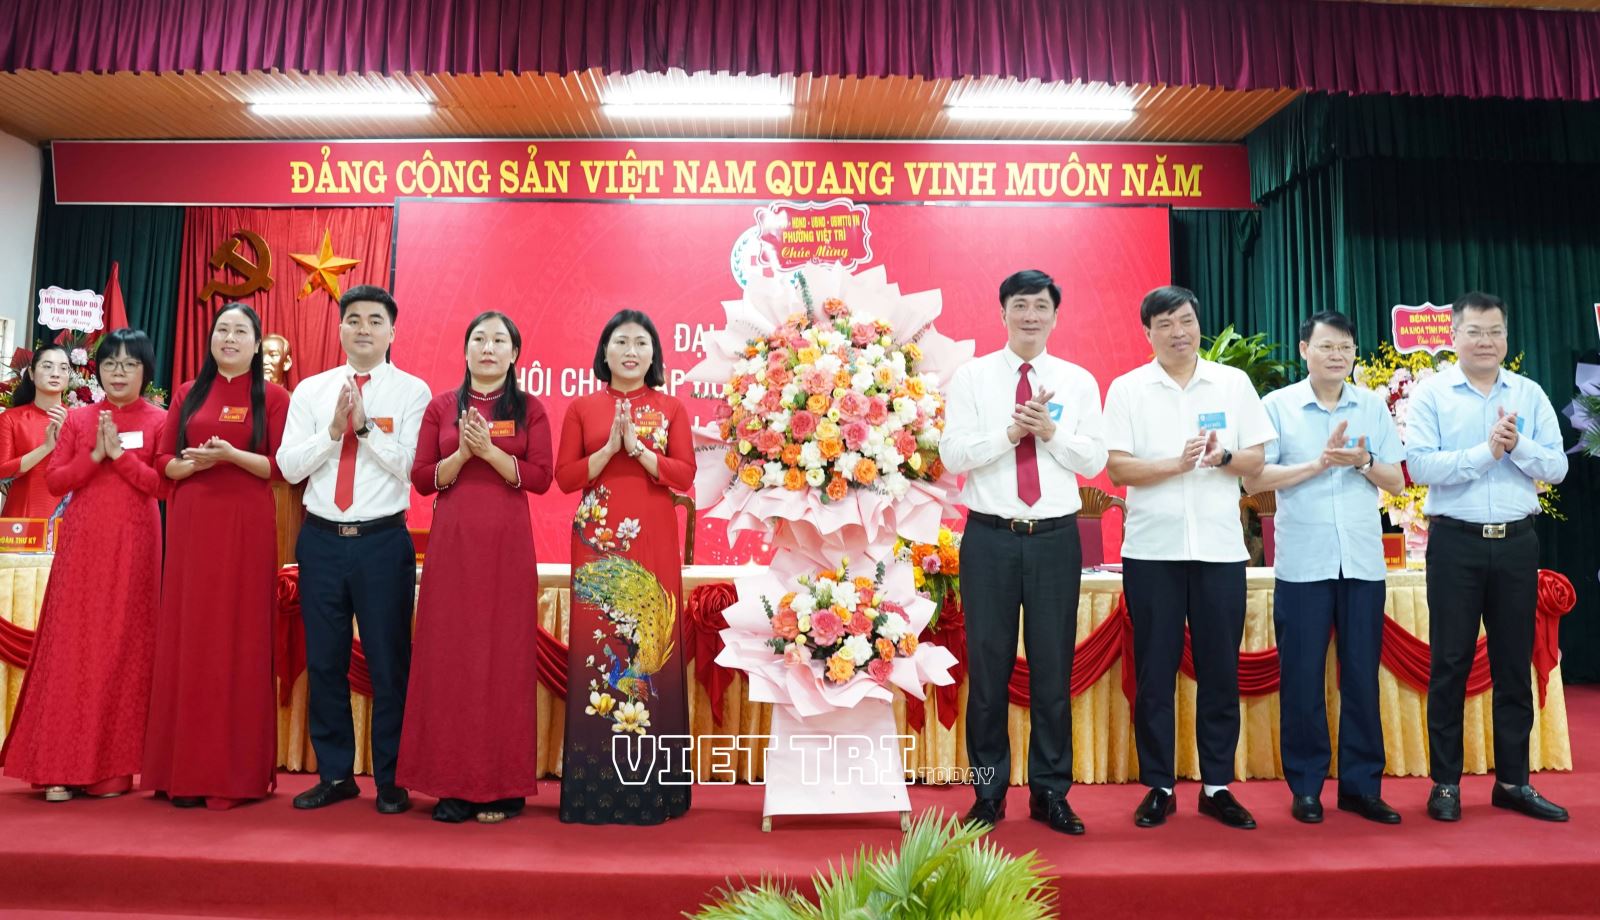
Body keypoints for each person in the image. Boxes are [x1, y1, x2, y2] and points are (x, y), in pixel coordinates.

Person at [938, 269, 1106, 835]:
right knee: (988, 673)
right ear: (1002, 313)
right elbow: (954, 455)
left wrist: (1050, 434)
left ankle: (1050, 793)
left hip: (1055, 538)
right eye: (1020, 305)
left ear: (1055, 315)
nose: (1030, 315)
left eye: (1040, 306)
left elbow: (1093, 461)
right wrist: (1009, 434)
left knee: (1052, 671)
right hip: (989, 538)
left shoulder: (1077, 381)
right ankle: (988, 794)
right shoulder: (973, 378)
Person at [1103, 285, 1275, 830]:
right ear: (1147, 333)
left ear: (1199, 324)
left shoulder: (1233, 382)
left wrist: (1222, 457)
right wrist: (1174, 466)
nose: (1178, 332)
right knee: (1154, 672)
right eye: (1165, 324)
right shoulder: (1128, 389)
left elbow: (1256, 460)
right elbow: (1118, 469)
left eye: (1186, 321)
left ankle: (1217, 785)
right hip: (1152, 551)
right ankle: (1159, 785)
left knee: (1220, 670)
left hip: (1220, 551)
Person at [1406, 291, 1569, 823]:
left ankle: (1514, 782)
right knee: (1450, 664)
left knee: (1513, 666)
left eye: (1495, 331)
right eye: (1474, 331)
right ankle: (1445, 784)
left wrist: (1517, 446)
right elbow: (1421, 466)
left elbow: (1557, 467)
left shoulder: (1529, 393)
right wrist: (1486, 453)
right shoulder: (1432, 394)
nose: (1485, 341)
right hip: (1456, 544)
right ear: (1453, 336)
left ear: (1506, 336)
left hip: (1518, 543)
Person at [1243, 311, 1404, 825]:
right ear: (1304, 350)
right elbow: (1254, 481)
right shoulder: (1278, 406)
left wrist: (1361, 463)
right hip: (1303, 565)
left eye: (1346, 347)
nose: (1338, 355)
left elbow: (1397, 482)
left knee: (1361, 678)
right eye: (1327, 346)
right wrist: (1317, 464)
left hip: (1361, 564)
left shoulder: (1372, 406)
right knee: (1303, 679)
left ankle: (1361, 787)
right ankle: (1307, 787)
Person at [277, 286, 430, 815]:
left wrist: (363, 428)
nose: (364, 328)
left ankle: (391, 779)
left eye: (375, 321)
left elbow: (412, 466)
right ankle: (336, 775)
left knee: (390, 663)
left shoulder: (412, 392)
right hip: (321, 540)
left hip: (382, 542)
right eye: (354, 319)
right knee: (325, 662)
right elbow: (289, 467)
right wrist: (332, 431)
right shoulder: (311, 390)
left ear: (392, 332)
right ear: (340, 329)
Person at [399, 311, 553, 824]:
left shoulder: (530, 409)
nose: (488, 348)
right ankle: (453, 784)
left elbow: (541, 477)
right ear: (465, 350)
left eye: (499, 340)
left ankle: (503, 786)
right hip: (453, 546)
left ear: (514, 353)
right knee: (451, 657)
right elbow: (423, 478)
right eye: (479, 339)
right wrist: (464, 455)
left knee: (504, 658)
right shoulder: (442, 407)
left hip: (507, 548)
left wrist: (489, 452)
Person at [0, 329, 166, 801]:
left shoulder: (159, 420)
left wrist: (121, 458)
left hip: (136, 543)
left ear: (145, 371)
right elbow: (56, 482)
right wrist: (95, 456)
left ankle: (111, 767)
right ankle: (58, 765)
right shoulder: (78, 418)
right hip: (83, 540)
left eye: (129, 364)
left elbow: (161, 486)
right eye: (109, 363)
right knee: (72, 647)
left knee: (124, 649)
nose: (118, 372)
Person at [143, 303, 290, 810]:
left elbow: (282, 467)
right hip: (193, 522)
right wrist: (190, 465)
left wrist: (228, 456)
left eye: (240, 331)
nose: (229, 338)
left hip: (246, 524)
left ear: (257, 343)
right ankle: (180, 772)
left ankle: (232, 776)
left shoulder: (274, 397)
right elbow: (162, 460)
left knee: (239, 637)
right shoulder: (188, 392)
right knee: (191, 635)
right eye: (222, 329)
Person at [556, 309, 694, 826]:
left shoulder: (671, 407)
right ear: (605, 352)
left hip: (652, 539)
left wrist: (638, 450)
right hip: (598, 539)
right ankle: (596, 789)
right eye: (620, 342)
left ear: (654, 353)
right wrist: (610, 449)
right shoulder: (582, 407)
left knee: (652, 645)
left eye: (640, 342)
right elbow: (565, 477)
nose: (630, 351)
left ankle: (657, 792)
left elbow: (685, 473)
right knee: (601, 648)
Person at [0, 345, 71, 519]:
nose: (56, 373)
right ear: (31, 373)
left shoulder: (81, 420)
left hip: (69, 522)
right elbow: (2, 472)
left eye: (63, 368)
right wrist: (46, 447)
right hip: (21, 521)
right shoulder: (11, 419)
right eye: (47, 366)